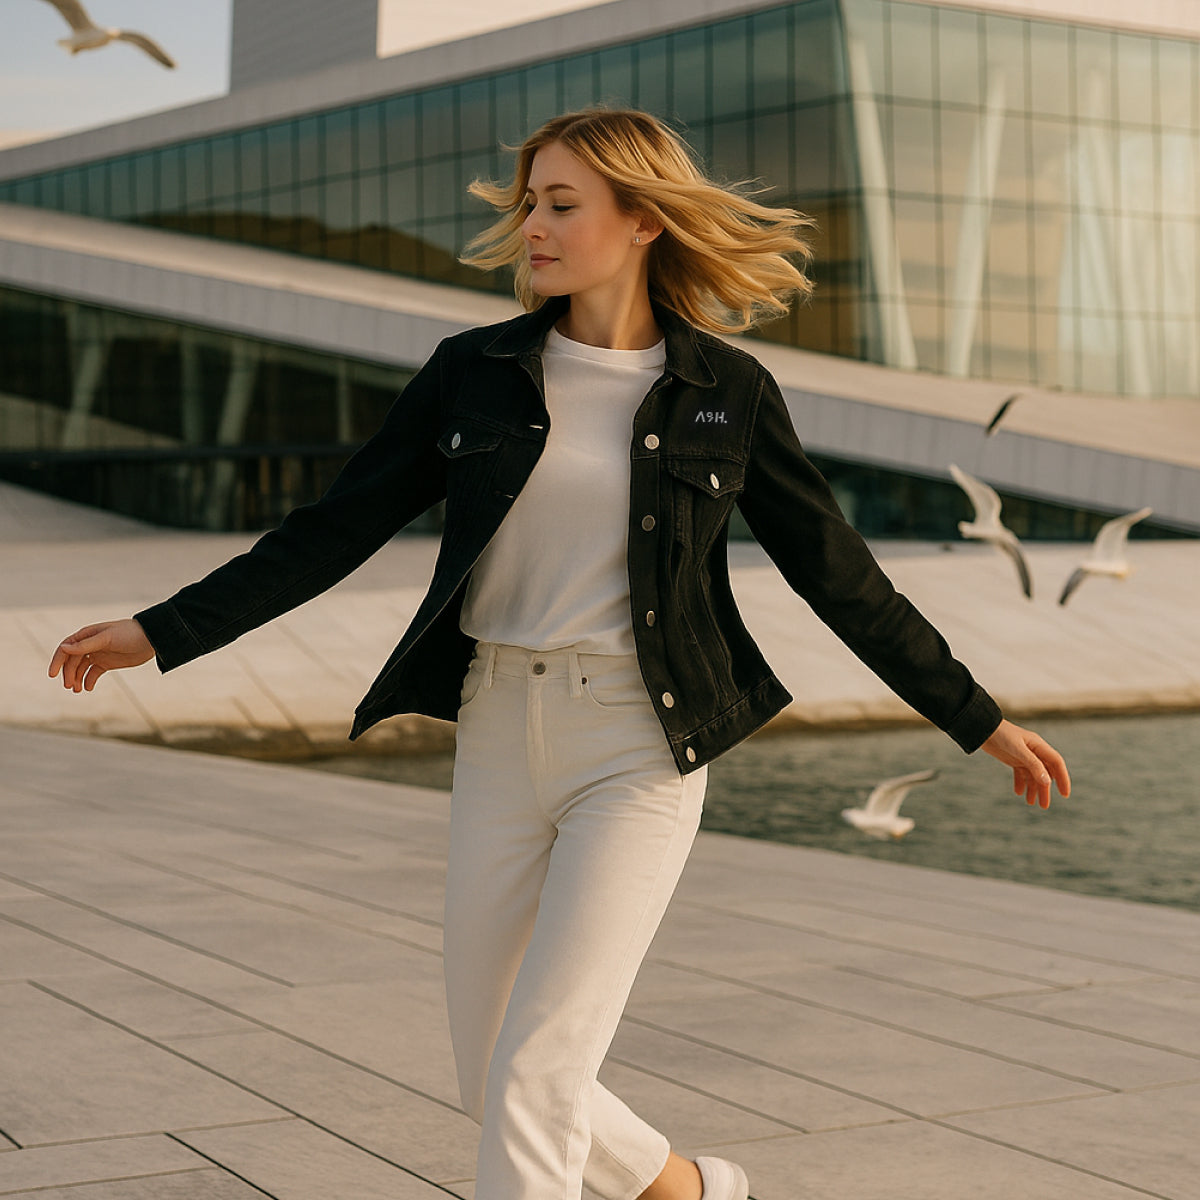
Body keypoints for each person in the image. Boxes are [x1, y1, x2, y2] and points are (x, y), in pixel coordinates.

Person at [48, 108, 1070, 1200]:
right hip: (499, 727)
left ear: (643, 220)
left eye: (562, 204)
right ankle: (690, 1190)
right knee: (490, 1075)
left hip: (639, 744)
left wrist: (977, 719)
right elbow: (333, 531)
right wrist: (163, 630)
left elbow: (840, 573)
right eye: (530, 202)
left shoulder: (726, 393)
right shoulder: (473, 372)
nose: (532, 225)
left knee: (537, 1073)